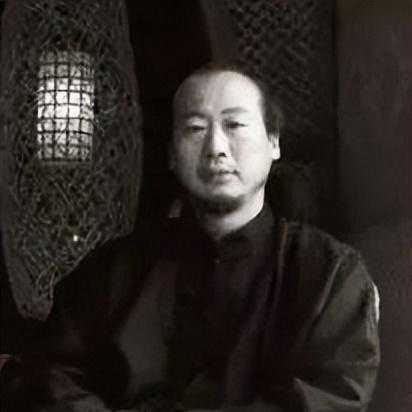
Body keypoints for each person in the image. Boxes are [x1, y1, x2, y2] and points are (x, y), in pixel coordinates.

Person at [1, 64, 380, 412]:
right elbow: (50, 376)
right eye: (195, 129)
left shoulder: (330, 275)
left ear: (273, 143)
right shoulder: (111, 269)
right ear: (171, 154)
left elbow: (331, 398)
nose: (216, 148)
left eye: (235, 125)